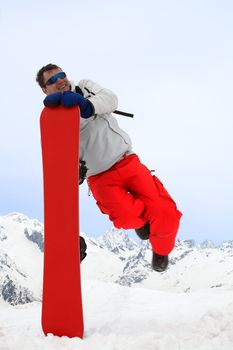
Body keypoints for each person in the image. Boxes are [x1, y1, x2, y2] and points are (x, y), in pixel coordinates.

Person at [36, 63, 182, 272]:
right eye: (51, 80)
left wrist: (86, 105)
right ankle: (141, 224)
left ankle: (161, 251)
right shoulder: (52, 118)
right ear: (45, 89)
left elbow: (111, 99)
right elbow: (57, 154)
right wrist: (71, 171)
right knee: (126, 216)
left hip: (126, 160)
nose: (59, 80)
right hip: (100, 177)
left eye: (61, 75)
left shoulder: (85, 88)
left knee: (164, 212)